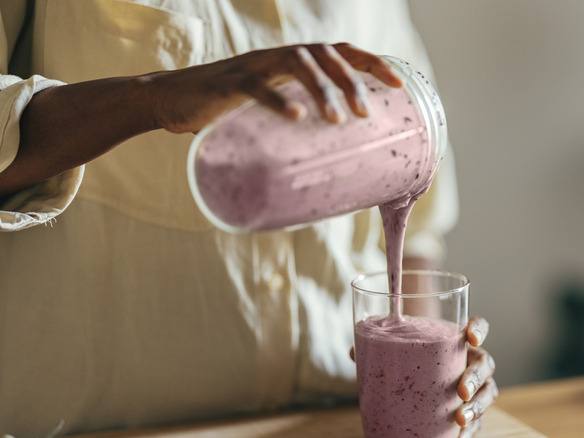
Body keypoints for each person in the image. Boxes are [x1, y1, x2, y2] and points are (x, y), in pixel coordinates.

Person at [0, 1, 497, 436]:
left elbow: (418, 214)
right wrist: (151, 97)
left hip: (330, 421)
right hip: (100, 429)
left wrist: (433, 374)